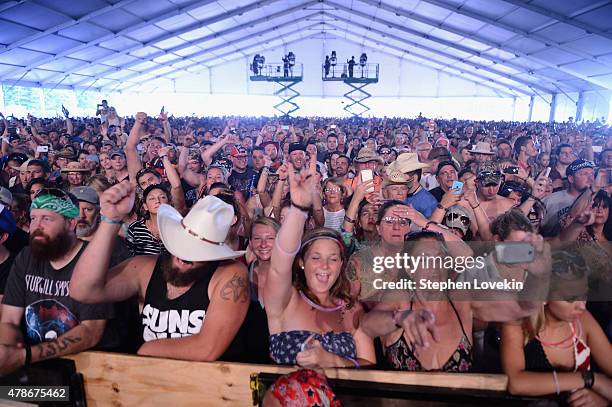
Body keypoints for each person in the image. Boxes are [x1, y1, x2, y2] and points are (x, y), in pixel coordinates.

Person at [70, 182, 250, 362]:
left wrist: (146, 350)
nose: (187, 254)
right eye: (184, 243)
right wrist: (111, 220)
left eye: (199, 251)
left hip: (204, 385)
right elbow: (83, 290)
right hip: (148, 383)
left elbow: (206, 349)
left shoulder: (230, 273)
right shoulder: (144, 268)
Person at [264, 164, 375, 368]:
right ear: (301, 262)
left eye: (333, 259)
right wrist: (298, 210)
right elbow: (279, 265)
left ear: (341, 264)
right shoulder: (286, 300)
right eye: (315, 258)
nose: (325, 266)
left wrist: (333, 361)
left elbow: (369, 364)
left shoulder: (352, 308)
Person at [0, 188, 113, 376]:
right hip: (33, 369)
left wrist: (23, 356)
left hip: (86, 372)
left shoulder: (95, 261)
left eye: (46, 219)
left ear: (71, 223)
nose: (37, 226)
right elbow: (9, 320)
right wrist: (6, 352)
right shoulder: (26, 257)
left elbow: (91, 331)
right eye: (33, 218)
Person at [501, 267, 612, 402]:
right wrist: (591, 379)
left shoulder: (583, 321)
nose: (582, 306)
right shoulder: (517, 324)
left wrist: (604, 402)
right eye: (570, 298)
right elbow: (516, 383)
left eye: (584, 295)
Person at [126, 184, 170, 256]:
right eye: (152, 198)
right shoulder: (135, 228)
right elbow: (129, 257)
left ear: (169, 203)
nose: (158, 201)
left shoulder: (177, 226)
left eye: (162, 197)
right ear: (145, 206)